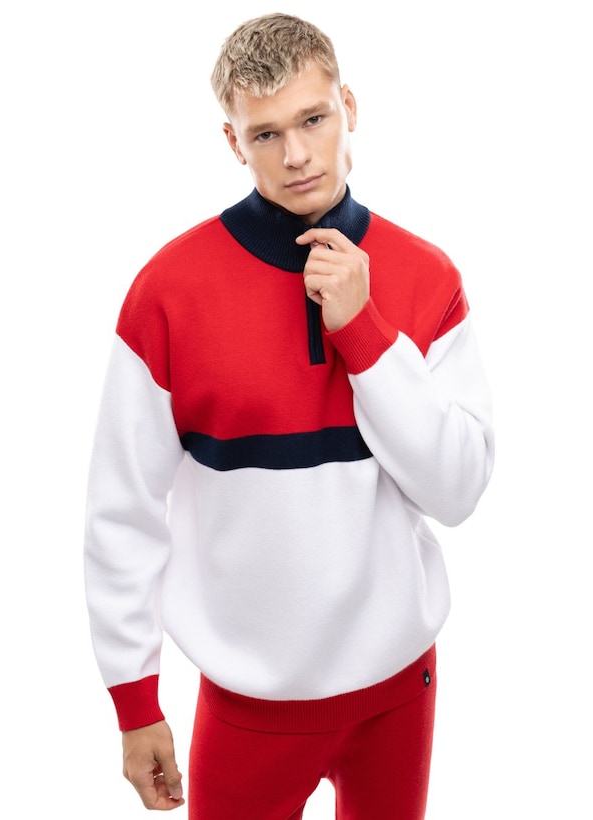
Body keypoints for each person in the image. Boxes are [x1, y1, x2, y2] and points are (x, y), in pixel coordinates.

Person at [84, 12, 494, 819]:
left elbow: (458, 491)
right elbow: (122, 509)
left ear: (349, 106)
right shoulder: (169, 292)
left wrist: (365, 332)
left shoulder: (426, 275)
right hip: (249, 707)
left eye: (313, 119)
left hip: (399, 691)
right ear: (233, 142)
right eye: (266, 134)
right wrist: (134, 702)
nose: (297, 154)